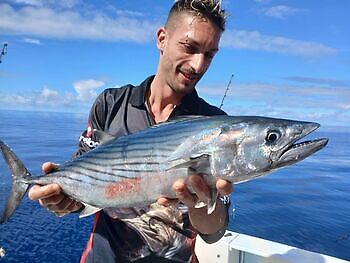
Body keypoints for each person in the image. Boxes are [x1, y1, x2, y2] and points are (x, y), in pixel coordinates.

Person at [28, 0, 233, 262]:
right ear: (162, 39)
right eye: (190, 47)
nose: (198, 65)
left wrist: (203, 203)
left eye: (209, 55)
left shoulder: (215, 125)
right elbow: (85, 181)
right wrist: (62, 199)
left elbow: (214, 233)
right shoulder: (111, 104)